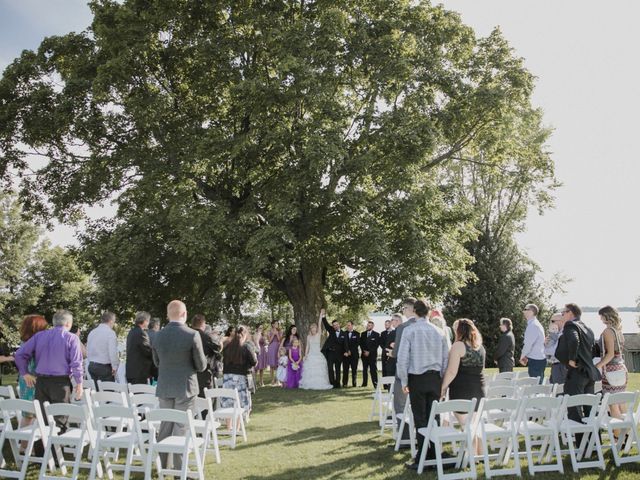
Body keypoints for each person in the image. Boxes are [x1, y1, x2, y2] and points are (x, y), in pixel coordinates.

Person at [153, 300, 206, 470]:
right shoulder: (192, 334)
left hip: (165, 385)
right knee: (181, 427)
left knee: (165, 425)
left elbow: (156, 362)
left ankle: (162, 465)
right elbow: (201, 365)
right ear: (184, 314)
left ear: (168, 314)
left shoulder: (157, 335)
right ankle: (178, 468)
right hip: (185, 386)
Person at [397, 299, 449, 470]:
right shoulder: (439, 331)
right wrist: (441, 380)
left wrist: (404, 380)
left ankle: (423, 456)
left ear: (415, 312)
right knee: (434, 417)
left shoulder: (409, 330)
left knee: (420, 418)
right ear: (428, 312)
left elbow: (402, 359)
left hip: (417, 379)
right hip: (434, 378)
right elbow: (445, 359)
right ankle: (434, 453)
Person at [15, 310, 84, 433]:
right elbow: (76, 363)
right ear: (68, 323)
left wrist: (24, 373)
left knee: (42, 419)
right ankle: (56, 449)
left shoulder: (39, 336)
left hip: (41, 382)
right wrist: (79, 383)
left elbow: (20, 354)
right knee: (60, 418)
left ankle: (42, 450)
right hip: (60, 383)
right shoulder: (72, 338)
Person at [440, 319, 486, 453]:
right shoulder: (480, 347)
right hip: (479, 389)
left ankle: (472, 459)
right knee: (474, 426)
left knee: (466, 427)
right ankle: (481, 455)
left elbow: (451, 371)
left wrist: (443, 387)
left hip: (462, 390)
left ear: (459, 331)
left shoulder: (458, 346)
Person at [554, 303, 600, 433]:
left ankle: (581, 446)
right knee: (590, 410)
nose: (562, 315)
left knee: (574, 409)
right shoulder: (588, 329)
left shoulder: (571, 325)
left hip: (577, 373)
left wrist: (572, 359)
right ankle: (593, 444)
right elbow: (593, 349)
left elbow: (574, 341)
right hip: (589, 373)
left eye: (563, 312)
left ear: (571, 313)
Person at [16, 314, 48, 449]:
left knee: (28, 414)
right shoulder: (35, 343)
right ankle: (26, 446)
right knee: (32, 414)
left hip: (25, 379)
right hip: (32, 379)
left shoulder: (26, 341)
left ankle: (24, 446)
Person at [390, 299, 418, 444]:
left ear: (410, 309)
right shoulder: (429, 326)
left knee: (400, 406)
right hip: (421, 374)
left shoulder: (403, 327)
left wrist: (392, 351)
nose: (403, 311)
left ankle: (405, 438)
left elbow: (398, 353)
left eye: (404, 308)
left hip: (404, 373)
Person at [594, 306, 628, 421]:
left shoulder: (608, 331)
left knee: (612, 404)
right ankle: (626, 431)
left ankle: (617, 435)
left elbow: (610, 354)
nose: (600, 319)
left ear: (606, 316)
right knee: (621, 401)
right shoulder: (618, 330)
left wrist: (598, 366)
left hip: (611, 370)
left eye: (601, 316)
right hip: (621, 368)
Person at [221, 325, 257, 412]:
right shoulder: (246, 347)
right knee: (239, 406)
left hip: (227, 377)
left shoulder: (227, 347)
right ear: (244, 335)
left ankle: (230, 426)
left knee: (228, 405)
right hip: (240, 378)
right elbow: (254, 362)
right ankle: (236, 425)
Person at [299, 312, 333, 390]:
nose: (314, 329)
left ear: (316, 329)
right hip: (311, 354)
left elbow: (319, 323)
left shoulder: (318, 334)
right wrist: (305, 355)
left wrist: (321, 316)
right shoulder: (308, 337)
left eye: (315, 328)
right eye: (312, 328)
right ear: (310, 329)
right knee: (310, 370)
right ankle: (310, 384)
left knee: (319, 370)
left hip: (317, 354)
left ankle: (319, 384)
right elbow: (307, 346)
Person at [191, 314, 221, 397]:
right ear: (203, 324)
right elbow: (217, 352)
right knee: (205, 402)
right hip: (204, 374)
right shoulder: (206, 338)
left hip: (190, 374)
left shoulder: (187, 336)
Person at [87, 311, 119, 386]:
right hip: (104, 368)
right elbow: (112, 352)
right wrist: (115, 367)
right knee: (108, 393)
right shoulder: (110, 333)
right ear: (111, 321)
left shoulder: (92, 332)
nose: (113, 324)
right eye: (114, 322)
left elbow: (88, 350)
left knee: (97, 393)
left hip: (92, 366)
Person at [320, 309, 348, 388]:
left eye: (336, 324)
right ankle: (332, 383)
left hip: (339, 354)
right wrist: (323, 315)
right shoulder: (331, 330)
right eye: (334, 325)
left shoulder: (344, 334)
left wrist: (346, 351)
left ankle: (337, 384)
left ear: (339, 325)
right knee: (330, 369)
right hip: (330, 353)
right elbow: (325, 324)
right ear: (333, 326)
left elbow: (345, 344)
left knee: (338, 369)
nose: (335, 326)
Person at [519, 303, 546, 383]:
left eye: (525, 309)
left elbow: (528, 344)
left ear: (531, 312)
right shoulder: (534, 324)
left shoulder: (533, 325)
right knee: (538, 385)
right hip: (538, 359)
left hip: (536, 361)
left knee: (536, 387)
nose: (523, 311)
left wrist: (522, 356)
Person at [125, 311, 153, 385]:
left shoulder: (131, 332)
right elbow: (148, 351)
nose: (148, 323)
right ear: (144, 321)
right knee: (141, 395)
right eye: (148, 321)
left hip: (131, 371)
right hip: (139, 373)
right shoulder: (141, 333)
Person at [544, 313, 566, 384]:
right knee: (553, 389)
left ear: (561, 321)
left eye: (552, 321)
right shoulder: (555, 334)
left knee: (558, 391)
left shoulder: (563, 334)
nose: (550, 323)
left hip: (561, 366)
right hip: (555, 365)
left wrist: (546, 347)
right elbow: (546, 354)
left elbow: (552, 351)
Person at [360, 320, 380, 388]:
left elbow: (376, 345)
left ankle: (375, 384)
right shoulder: (363, 334)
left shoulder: (376, 334)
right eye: (367, 325)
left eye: (370, 325)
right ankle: (364, 384)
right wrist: (364, 351)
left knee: (373, 370)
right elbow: (361, 344)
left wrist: (369, 352)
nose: (368, 326)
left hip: (372, 356)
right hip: (364, 355)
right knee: (364, 370)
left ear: (373, 326)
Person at [343, 321, 360, 387]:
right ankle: (344, 384)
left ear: (352, 325)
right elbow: (343, 344)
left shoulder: (357, 334)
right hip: (346, 355)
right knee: (345, 370)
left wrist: (350, 351)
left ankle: (354, 384)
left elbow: (357, 344)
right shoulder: (344, 333)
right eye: (347, 325)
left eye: (349, 325)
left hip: (354, 355)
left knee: (354, 370)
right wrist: (347, 351)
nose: (348, 326)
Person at [267, 321, 283, 385]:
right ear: (272, 324)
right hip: (271, 348)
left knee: (278, 364)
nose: (277, 324)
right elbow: (269, 341)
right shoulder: (269, 331)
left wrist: (277, 334)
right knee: (272, 364)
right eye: (276, 323)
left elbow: (280, 340)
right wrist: (273, 334)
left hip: (278, 347)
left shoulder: (280, 331)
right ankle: (272, 380)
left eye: (277, 324)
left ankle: (278, 380)